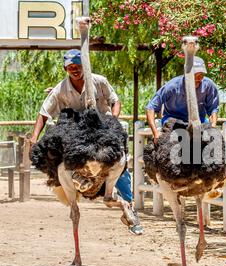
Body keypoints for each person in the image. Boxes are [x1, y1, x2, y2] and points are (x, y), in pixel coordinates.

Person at [30, 49, 143, 235]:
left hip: (101, 123)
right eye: (71, 67)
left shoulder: (99, 81)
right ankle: (67, 181)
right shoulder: (61, 89)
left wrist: (113, 120)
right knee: (51, 150)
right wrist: (34, 137)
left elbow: (115, 101)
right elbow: (44, 113)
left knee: (119, 159)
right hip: (76, 128)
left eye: (78, 66)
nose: (75, 70)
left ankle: (129, 206)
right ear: (66, 68)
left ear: (84, 66)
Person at [145, 56, 219, 143]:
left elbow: (213, 109)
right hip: (172, 121)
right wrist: (155, 134)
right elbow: (151, 107)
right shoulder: (171, 87)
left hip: (198, 121)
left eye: (202, 74)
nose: (199, 78)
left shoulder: (209, 86)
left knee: (210, 143)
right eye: (196, 74)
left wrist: (213, 127)